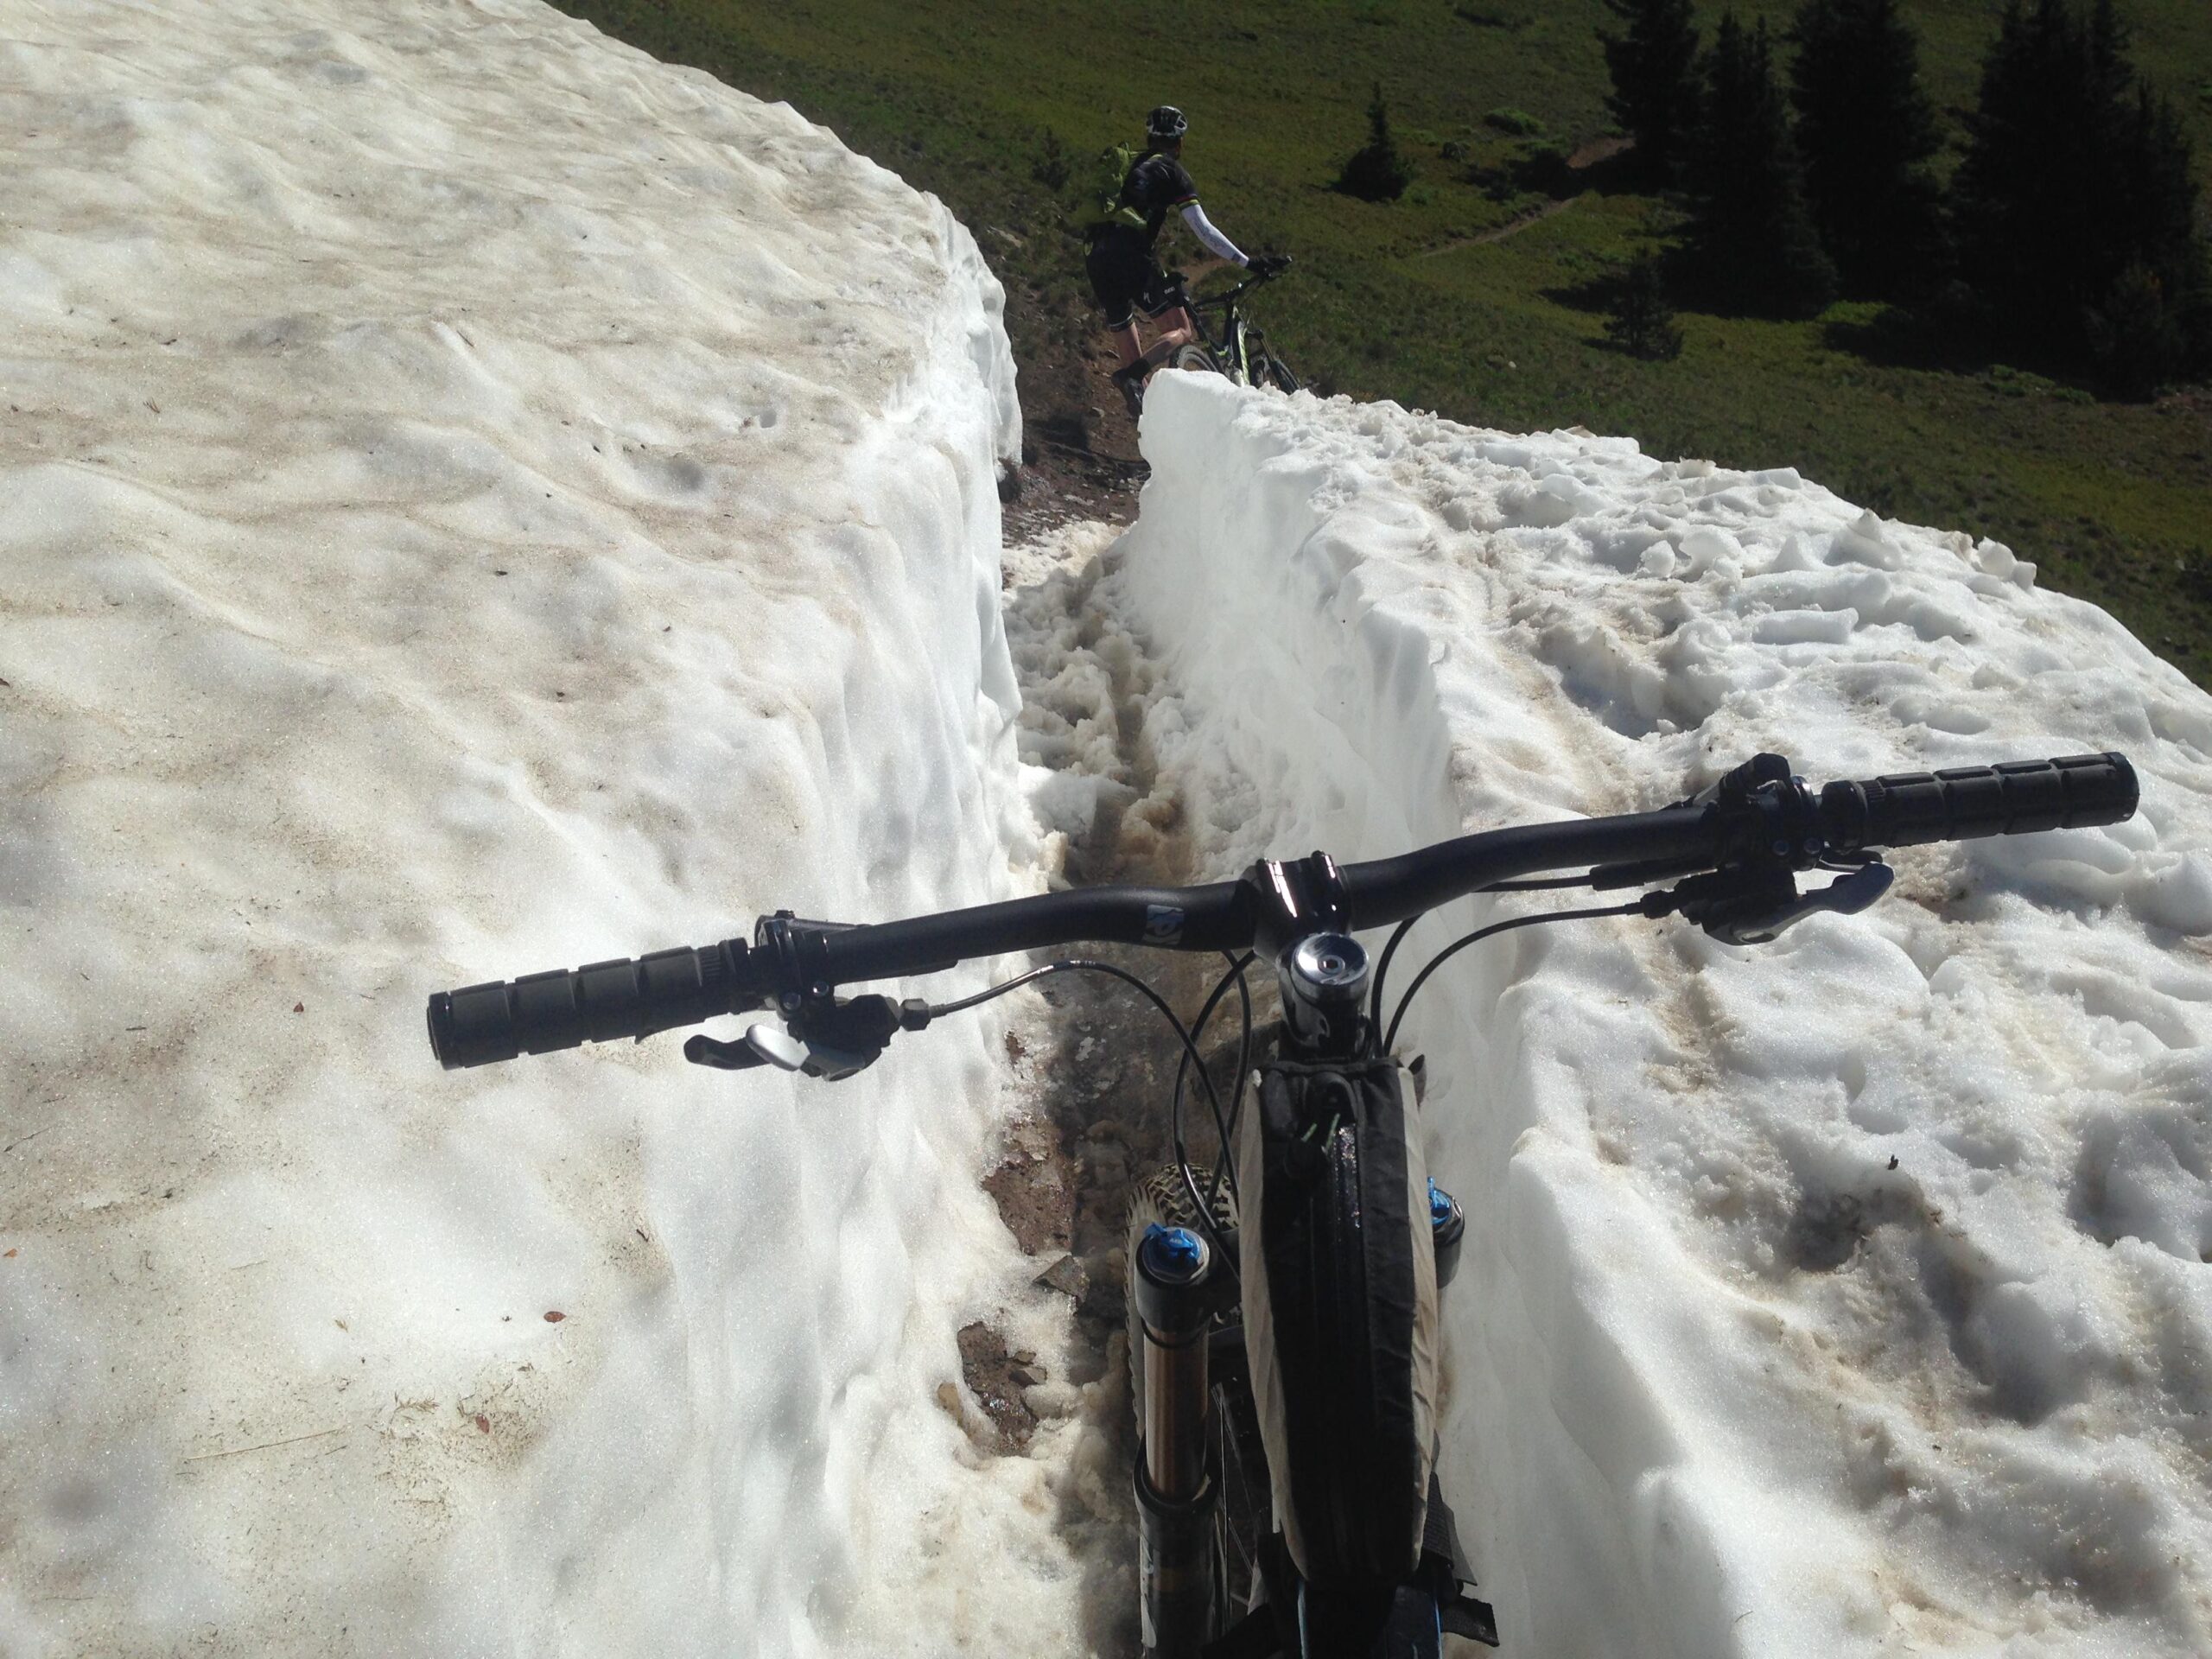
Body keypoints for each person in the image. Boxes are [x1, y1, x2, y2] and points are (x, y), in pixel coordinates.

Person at [1084, 105, 1282, 417]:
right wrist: (1247, 262)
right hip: (1131, 252)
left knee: (1123, 324)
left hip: (1095, 252)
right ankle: (1132, 376)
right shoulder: (1172, 171)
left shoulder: (1128, 163)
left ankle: (1144, 419)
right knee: (1182, 330)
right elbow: (1203, 230)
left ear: (1148, 138)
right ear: (1180, 143)